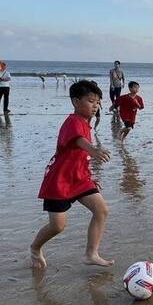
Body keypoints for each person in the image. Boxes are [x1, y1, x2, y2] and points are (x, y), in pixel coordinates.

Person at [31, 80, 113, 269]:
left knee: (101, 210)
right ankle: (35, 248)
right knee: (57, 226)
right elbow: (78, 141)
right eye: (91, 101)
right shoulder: (73, 121)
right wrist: (93, 149)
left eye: (98, 102)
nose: (95, 106)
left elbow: (80, 157)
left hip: (80, 179)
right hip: (59, 181)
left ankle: (91, 254)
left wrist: (90, 178)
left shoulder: (86, 123)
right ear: (76, 102)